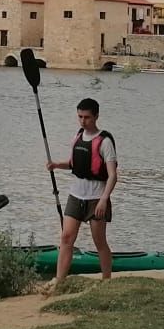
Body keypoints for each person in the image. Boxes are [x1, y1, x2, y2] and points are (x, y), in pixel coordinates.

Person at [44, 97, 116, 289]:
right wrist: (57, 165)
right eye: (80, 117)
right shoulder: (77, 137)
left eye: (87, 117)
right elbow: (75, 164)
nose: (83, 121)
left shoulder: (105, 142)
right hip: (76, 195)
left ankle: (106, 281)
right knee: (66, 237)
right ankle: (59, 280)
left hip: (96, 198)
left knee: (99, 241)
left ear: (96, 116)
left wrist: (103, 200)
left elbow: (112, 176)